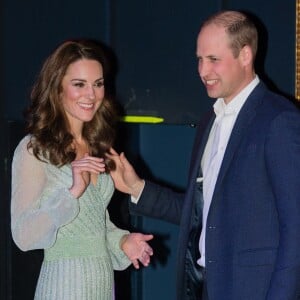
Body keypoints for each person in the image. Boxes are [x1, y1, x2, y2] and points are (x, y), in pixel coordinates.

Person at [109, 10, 300, 300]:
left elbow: (296, 228)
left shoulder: (278, 120)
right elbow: (201, 213)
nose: (202, 70)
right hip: (203, 288)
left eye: (213, 59)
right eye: (200, 59)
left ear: (245, 55)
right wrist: (137, 188)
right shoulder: (209, 121)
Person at [10, 39, 154, 300]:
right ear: (57, 89)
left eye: (98, 84)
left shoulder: (99, 145)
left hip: (102, 286)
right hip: (63, 287)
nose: (91, 95)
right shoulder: (34, 149)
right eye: (79, 84)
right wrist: (72, 192)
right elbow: (23, 236)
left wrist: (123, 242)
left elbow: (93, 227)